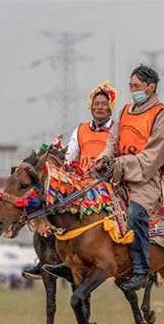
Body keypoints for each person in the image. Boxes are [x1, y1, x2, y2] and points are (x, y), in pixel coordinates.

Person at [23, 82, 118, 280]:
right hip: (80, 184)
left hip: (107, 183)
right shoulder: (81, 130)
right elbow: (70, 155)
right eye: (96, 103)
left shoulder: (117, 129)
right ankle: (46, 260)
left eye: (103, 103)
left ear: (110, 107)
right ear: (90, 106)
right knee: (51, 208)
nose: (99, 107)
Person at [95, 64, 164, 291]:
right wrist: (103, 158)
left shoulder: (162, 117)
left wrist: (119, 164)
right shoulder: (124, 111)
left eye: (137, 86)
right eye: (131, 86)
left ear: (150, 88)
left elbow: (151, 158)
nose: (133, 90)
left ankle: (141, 270)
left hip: (145, 181)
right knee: (89, 209)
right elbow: (111, 143)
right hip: (117, 177)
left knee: (135, 214)